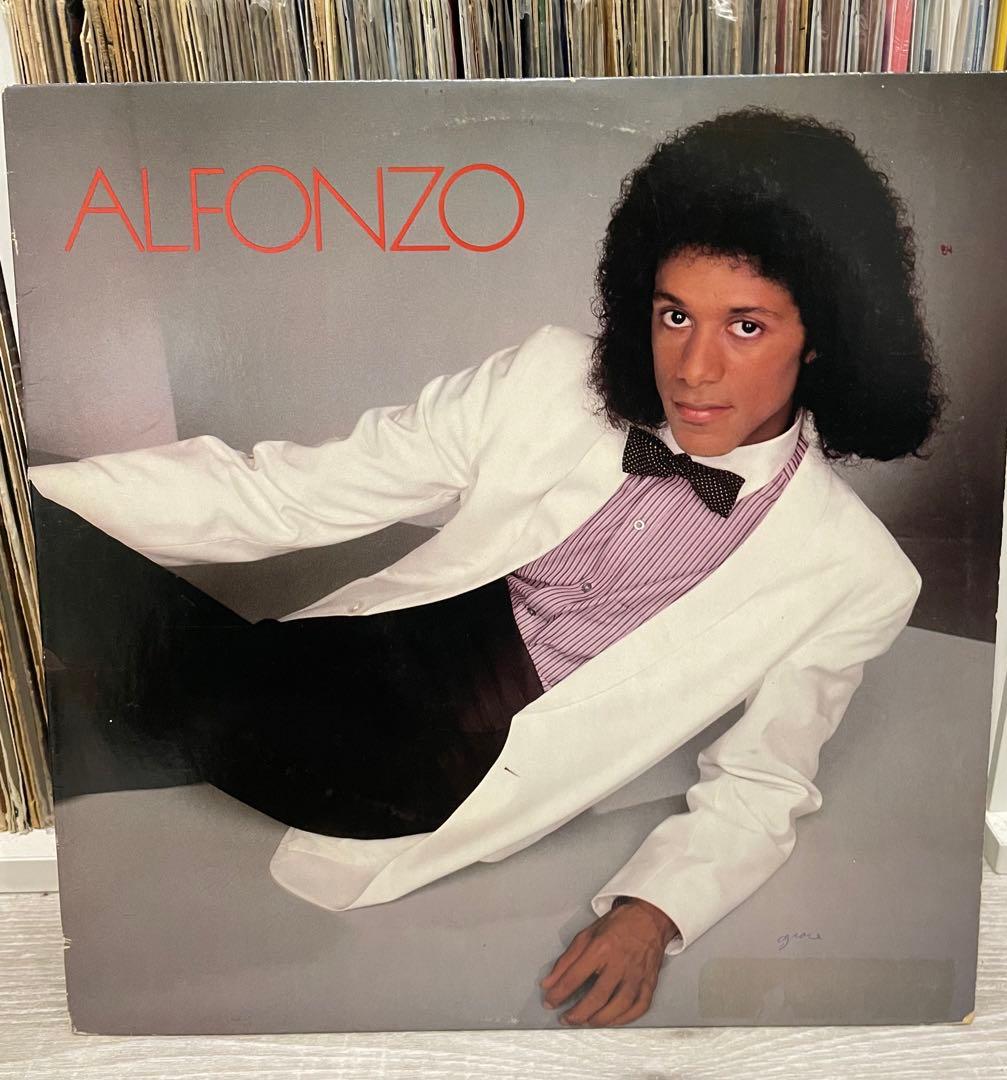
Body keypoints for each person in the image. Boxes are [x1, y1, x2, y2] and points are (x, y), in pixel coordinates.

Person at [29, 106, 941, 1027]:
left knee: (147, 667)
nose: (694, 369)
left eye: (745, 326)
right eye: (674, 315)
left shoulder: (853, 572)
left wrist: (655, 911)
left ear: (821, 334)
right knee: (110, 684)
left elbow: (763, 782)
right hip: (348, 653)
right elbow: (291, 492)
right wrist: (38, 501)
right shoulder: (547, 379)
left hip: (432, 764)